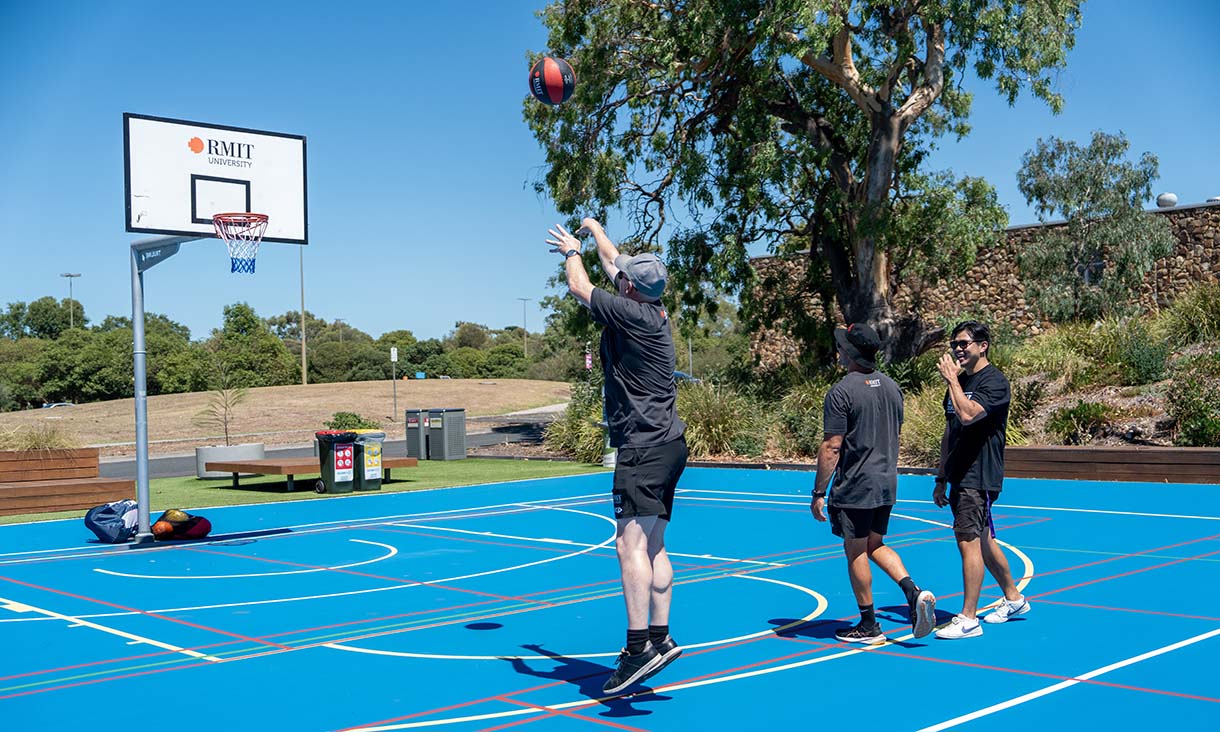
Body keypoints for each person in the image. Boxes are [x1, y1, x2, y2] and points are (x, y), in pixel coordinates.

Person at [546, 218, 688, 694]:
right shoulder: (652, 307)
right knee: (654, 545)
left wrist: (572, 250)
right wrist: (594, 229)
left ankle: (638, 648)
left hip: (643, 447)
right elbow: (612, 263)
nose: (618, 276)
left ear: (629, 288)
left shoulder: (631, 315)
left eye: (624, 277)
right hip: (669, 444)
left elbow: (580, 285)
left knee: (629, 547)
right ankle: (661, 637)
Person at [812, 324, 937, 643]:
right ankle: (913, 592)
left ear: (848, 353)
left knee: (855, 550)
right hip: (886, 482)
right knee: (875, 544)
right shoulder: (893, 388)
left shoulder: (841, 392)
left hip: (856, 485)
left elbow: (832, 446)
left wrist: (818, 492)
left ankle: (869, 625)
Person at [933, 320, 1030, 640]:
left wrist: (952, 380)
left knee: (968, 541)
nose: (958, 349)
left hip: (979, 475)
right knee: (984, 540)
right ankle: (1014, 599)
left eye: (964, 343)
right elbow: (951, 430)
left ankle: (968, 619)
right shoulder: (960, 381)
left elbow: (968, 415)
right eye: (954, 345)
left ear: (983, 346)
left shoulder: (994, 382)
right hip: (959, 475)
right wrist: (941, 476)